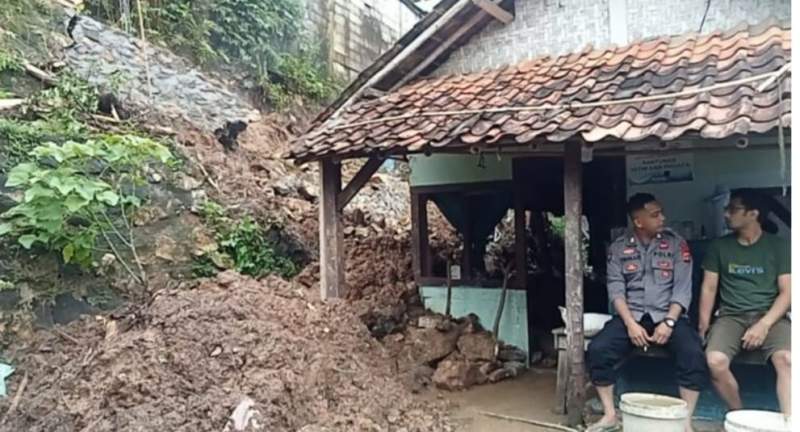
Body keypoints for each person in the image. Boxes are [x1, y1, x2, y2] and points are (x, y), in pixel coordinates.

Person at [587, 193, 707, 432]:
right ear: (638, 221)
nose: (662, 218)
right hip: (631, 317)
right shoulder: (619, 248)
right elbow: (616, 290)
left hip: (668, 315)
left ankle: (685, 422)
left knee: (693, 353)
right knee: (598, 349)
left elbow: (683, 289)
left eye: (661, 213)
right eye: (655, 215)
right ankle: (610, 415)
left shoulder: (676, 244)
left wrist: (669, 322)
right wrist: (630, 324)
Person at [698, 188, 791, 416]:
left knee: (788, 360)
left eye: (733, 209)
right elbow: (709, 288)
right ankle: (739, 417)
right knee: (715, 361)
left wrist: (763, 325)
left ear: (753, 214)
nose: (726, 214)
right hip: (731, 316)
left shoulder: (779, 246)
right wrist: (702, 327)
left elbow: (788, 292)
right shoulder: (719, 247)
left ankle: (790, 422)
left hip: (771, 316)